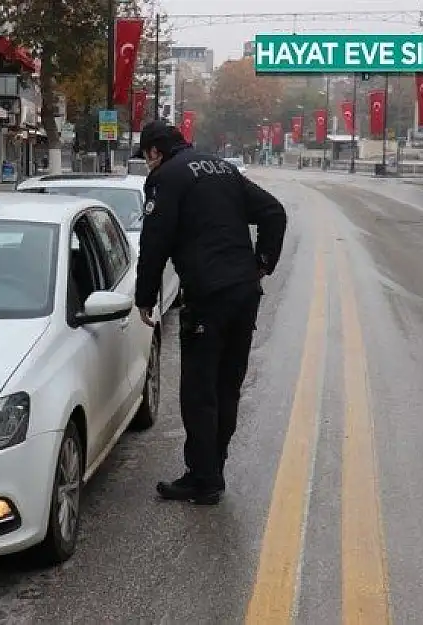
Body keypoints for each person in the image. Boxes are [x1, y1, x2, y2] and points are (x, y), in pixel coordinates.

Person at [131, 121, 287, 505]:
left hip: (208, 297)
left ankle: (203, 478)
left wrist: (145, 296)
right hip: (244, 293)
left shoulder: (166, 177)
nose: (147, 164)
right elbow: (274, 212)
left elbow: (155, 242)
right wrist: (262, 261)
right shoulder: (222, 168)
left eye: (146, 157)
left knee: (200, 392)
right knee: (226, 386)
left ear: (154, 151)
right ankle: (213, 467)